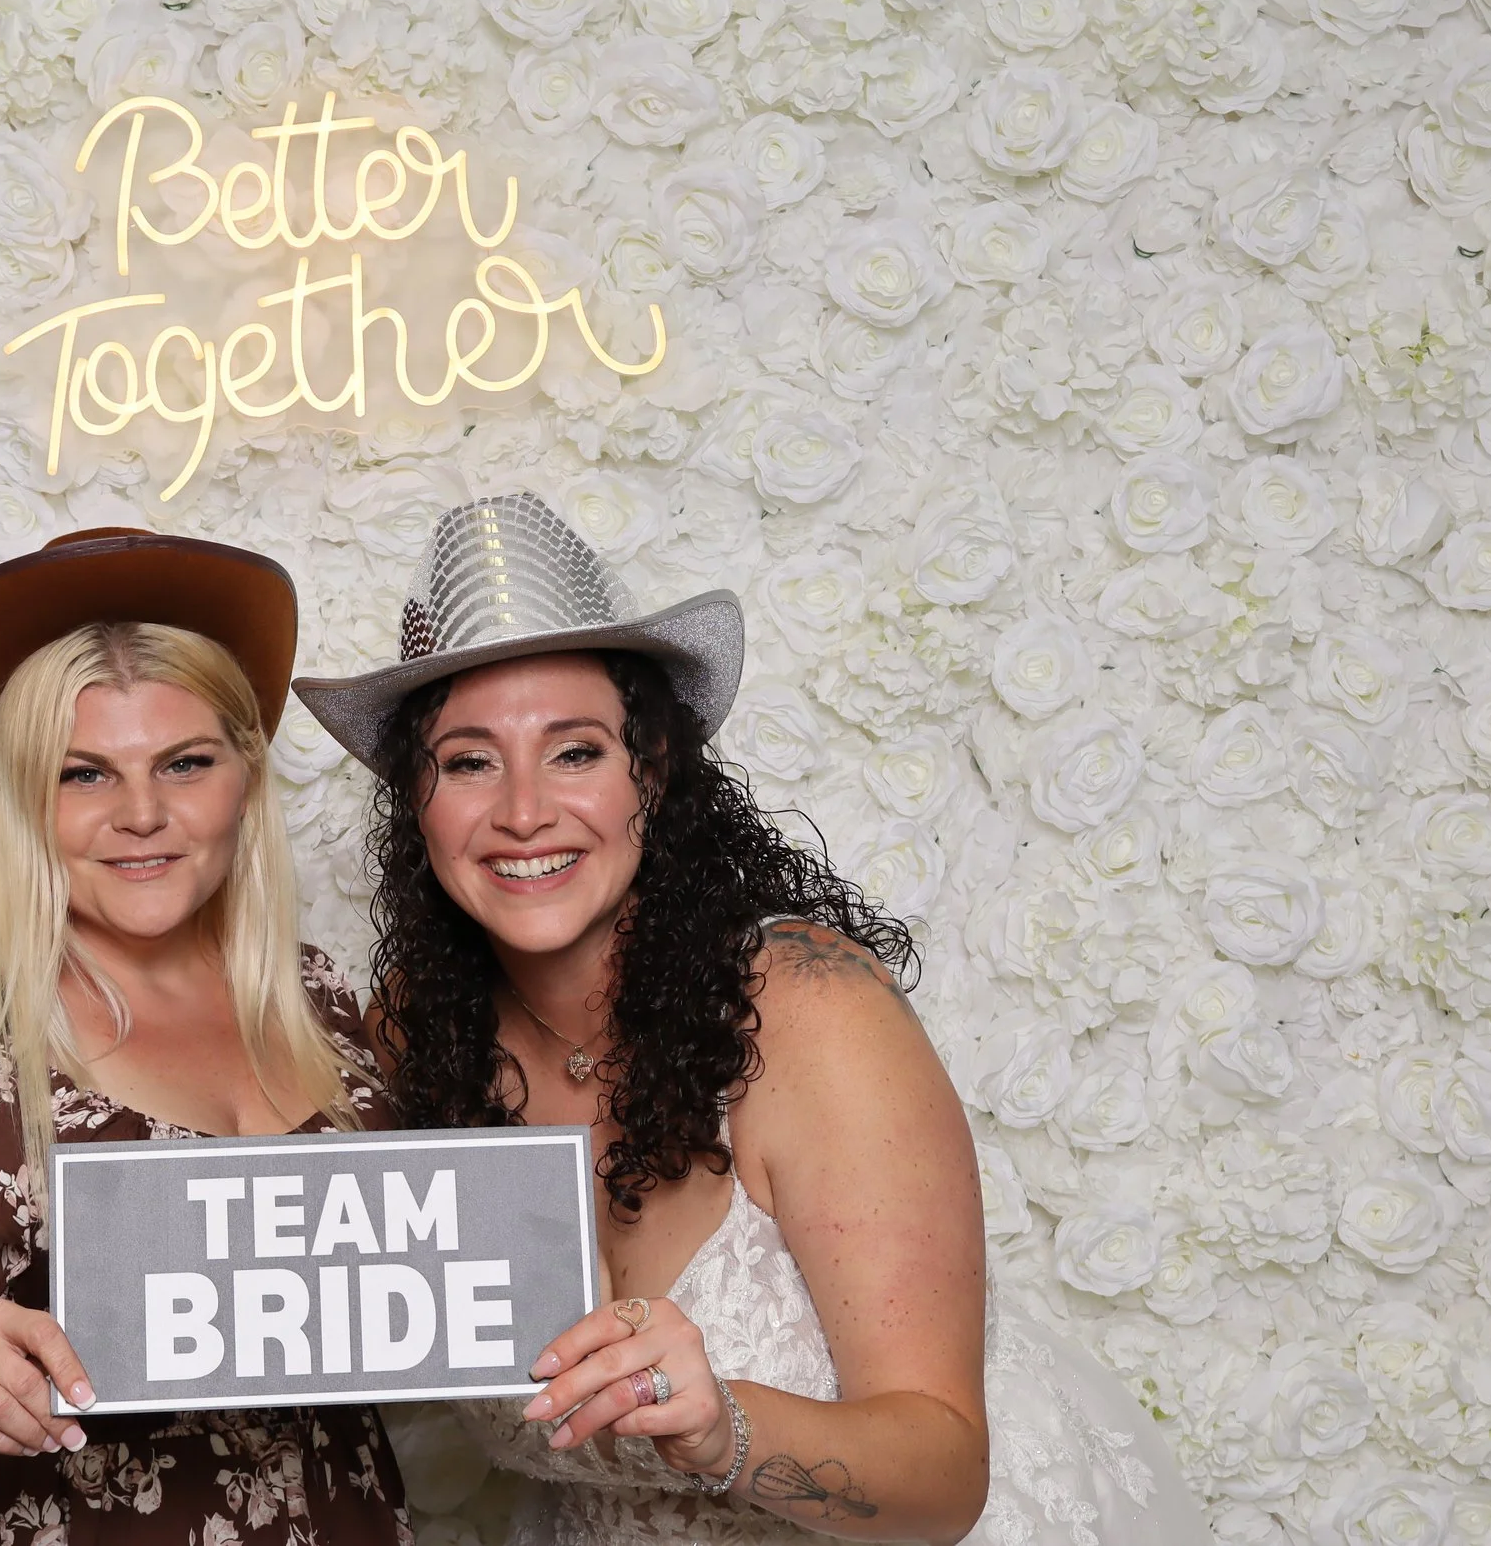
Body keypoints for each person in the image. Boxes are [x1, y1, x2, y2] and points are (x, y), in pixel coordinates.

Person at [295, 494, 1208, 1546]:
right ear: (417, 799)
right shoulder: (420, 1035)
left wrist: (717, 1424)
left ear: (656, 767)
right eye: (467, 759)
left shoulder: (809, 1014)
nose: (521, 809)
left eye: (576, 750)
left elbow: (944, 1474)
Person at [0, 528, 413, 1546]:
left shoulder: (320, 999)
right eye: (84, 774)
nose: (143, 813)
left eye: (185, 762)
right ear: (23, 796)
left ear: (245, 773)